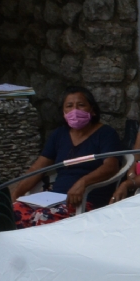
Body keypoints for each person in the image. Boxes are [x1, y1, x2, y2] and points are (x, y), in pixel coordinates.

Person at [8, 88, 125, 227]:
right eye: (69, 106)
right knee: (12, 213)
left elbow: (111, 166)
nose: (75, 110)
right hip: (53, 199)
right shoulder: (59, 135)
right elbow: (38, 168)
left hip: (87, 199)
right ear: (63, 113)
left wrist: (83, 183)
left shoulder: (106, 133)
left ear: (92, 110)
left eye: (81, 105)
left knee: (43, 217)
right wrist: (16, 194)